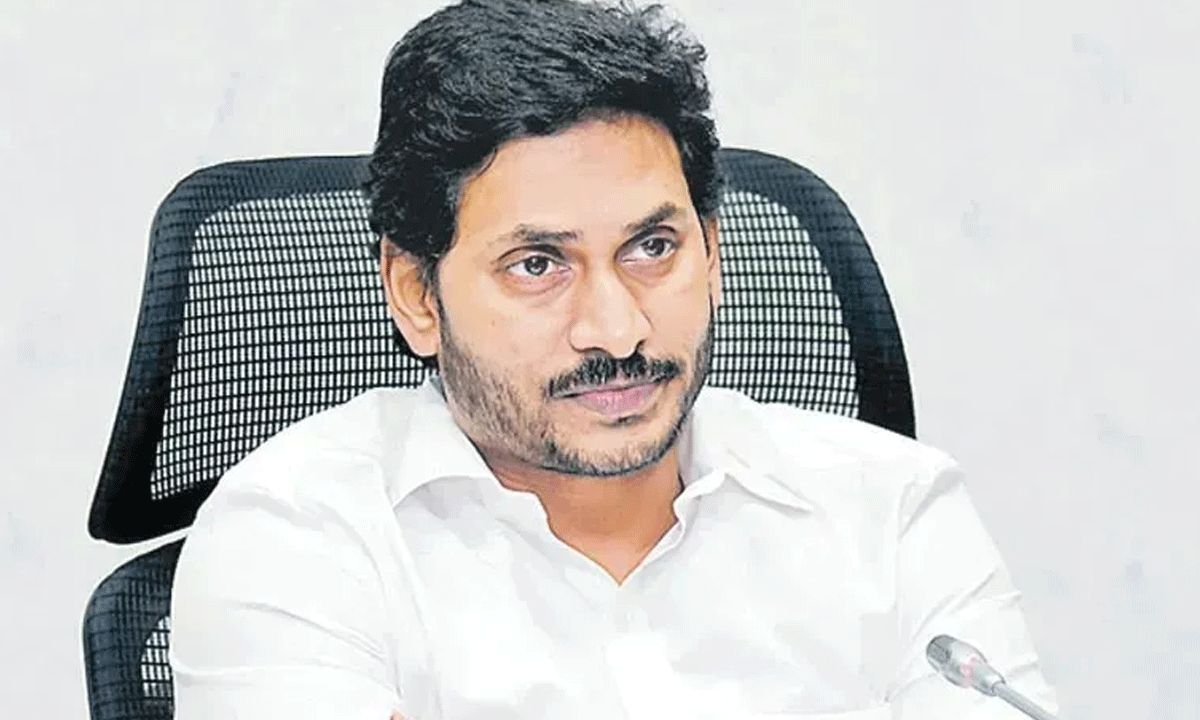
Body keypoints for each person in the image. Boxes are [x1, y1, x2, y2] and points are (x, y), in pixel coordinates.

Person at [168, 0, 1061, 718]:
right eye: (537, 265)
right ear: (416, 293)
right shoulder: (295, 538)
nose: (617, 329)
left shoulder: (894, 510)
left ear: (713, 251)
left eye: (652, 248)